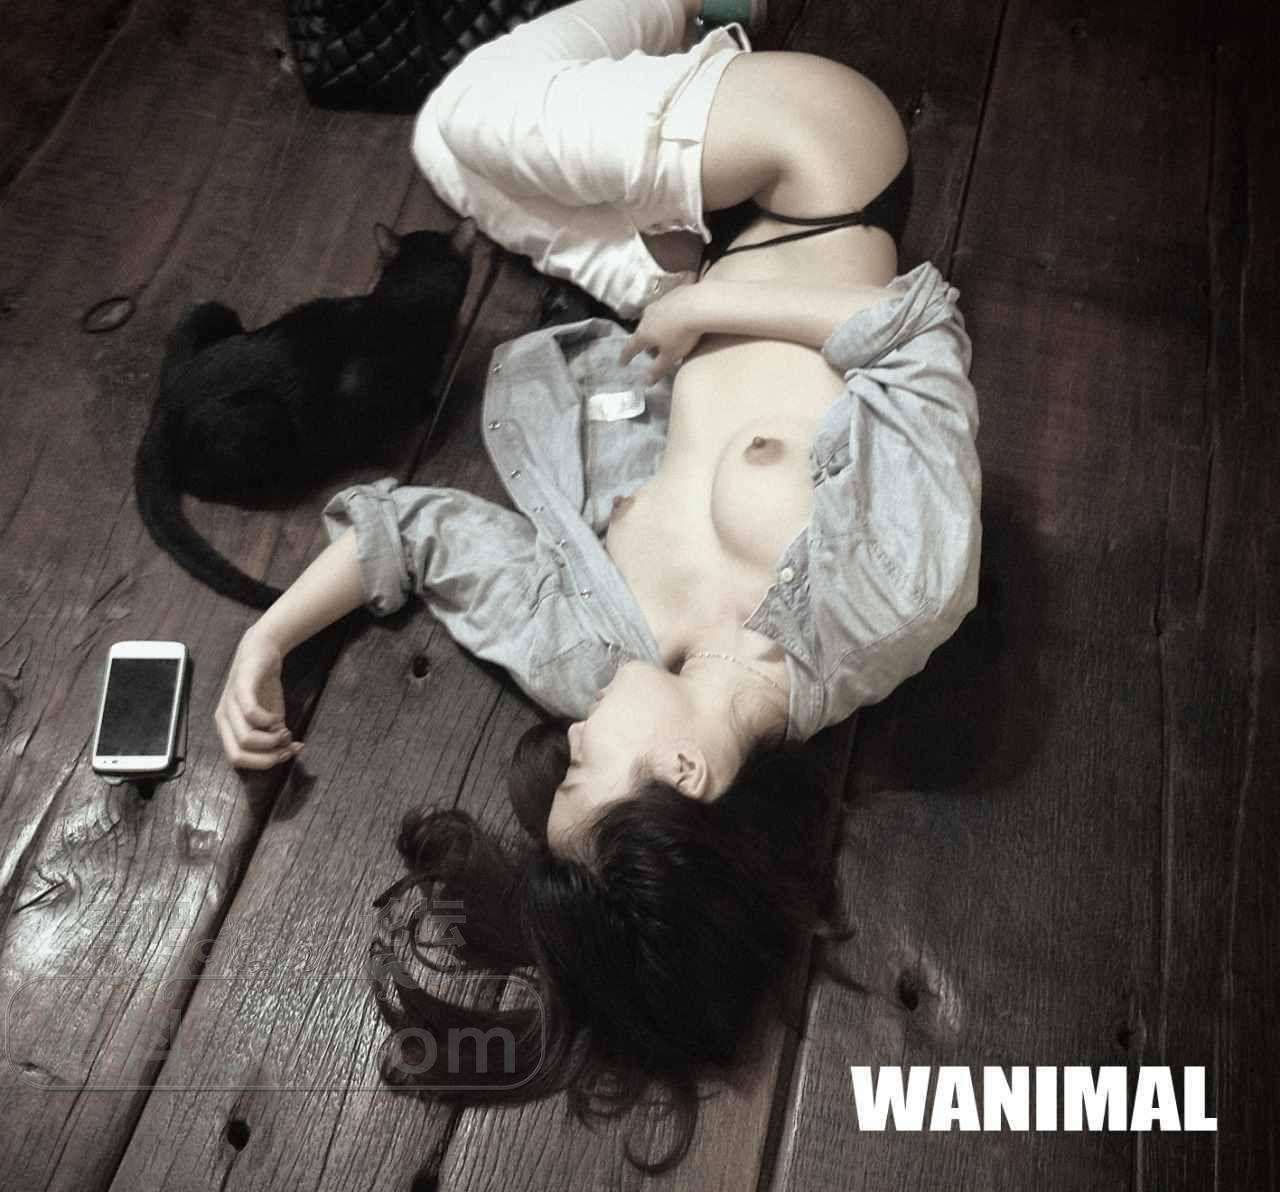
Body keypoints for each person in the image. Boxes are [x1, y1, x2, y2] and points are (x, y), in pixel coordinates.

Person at [214, 0, 981, 1169]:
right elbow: (916, 325)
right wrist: (704, 307)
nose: (566, 739)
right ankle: (697, 15)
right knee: (472, 111)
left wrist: (266, 640)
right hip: (820, 180)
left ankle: (669, 82)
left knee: (449, 152)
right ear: (685, 773)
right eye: (583, 769)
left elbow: (414, 535)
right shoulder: (890, 599)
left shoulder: (594, 660)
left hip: (684, 268)